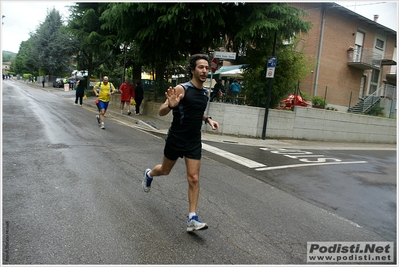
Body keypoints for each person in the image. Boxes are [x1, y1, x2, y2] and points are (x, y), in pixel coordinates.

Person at [142, 54, 219, 232]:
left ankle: (192, 218)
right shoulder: (181, 88)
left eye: (207, 68)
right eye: (201, 67)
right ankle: (149, 174)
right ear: (192, 70)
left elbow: (196, 111)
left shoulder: (205, 93)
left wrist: (208, 120)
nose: (204, 71)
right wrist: (170, 105)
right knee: (165, 170)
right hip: (176, 138)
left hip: (193, 141)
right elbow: (161, 111)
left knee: (194, 178)